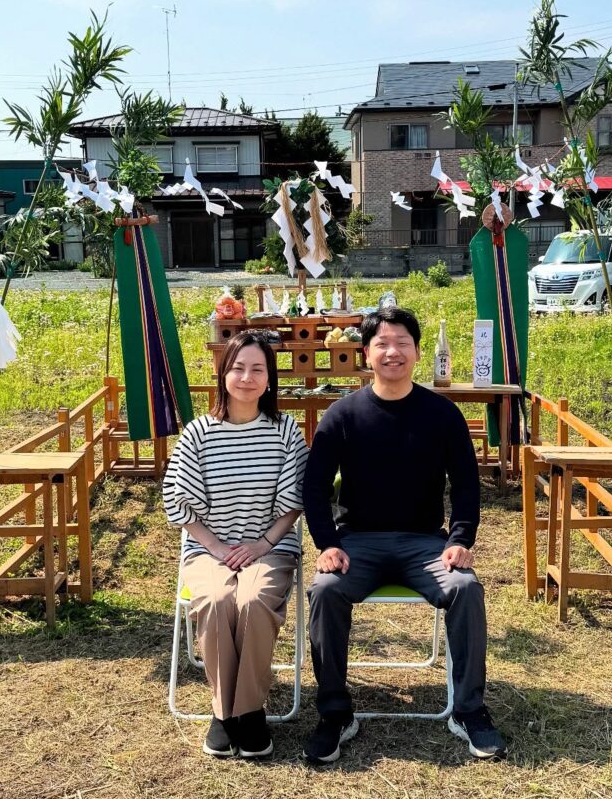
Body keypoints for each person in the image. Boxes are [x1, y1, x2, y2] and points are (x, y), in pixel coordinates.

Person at [302, 306, 506, 763]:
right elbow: (313, 487)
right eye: (382, 344)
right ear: (365, 354)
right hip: (358, 542)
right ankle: (335, 713)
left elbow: (466, 483)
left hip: (425, 544)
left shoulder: (442, 414)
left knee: (465, 588)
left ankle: (469, 709)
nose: (392, 352)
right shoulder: (342, 415)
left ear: (416, 352)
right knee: (325, 590)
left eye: (402, 344)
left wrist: (460, 539)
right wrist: (328, 544)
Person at [163, 330, 306, 760]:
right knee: (215, 598)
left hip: (271, 546)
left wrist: (263, 543)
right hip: (209, 547)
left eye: (257, 369)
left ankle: (240, 711)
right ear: (223, 373)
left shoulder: (285, 431)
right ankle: (233, 713)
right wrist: (215, 546)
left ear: (269, 379)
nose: (247, 377)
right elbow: (176, 498)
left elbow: (295, 500)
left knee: (254, 598)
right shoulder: (198, 433)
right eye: (238, 367)